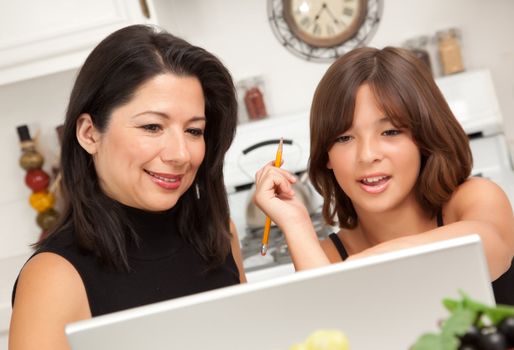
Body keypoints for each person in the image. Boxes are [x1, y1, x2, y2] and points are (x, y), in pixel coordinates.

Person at [9, 24, 246, 349]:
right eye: (152, 126)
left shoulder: (219, 235)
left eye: (193, 131)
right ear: (89, 134)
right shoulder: (54, 277)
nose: (180, 154)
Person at [253, 47, 514, 304]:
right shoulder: (327, 257)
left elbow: (483, 251)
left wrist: (347, 274)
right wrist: (296, 225)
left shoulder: (476, 199)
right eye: (344, 137)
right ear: (327, 156)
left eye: (390, 132)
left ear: (424, 138)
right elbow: (330, 329)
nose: (367, 155)